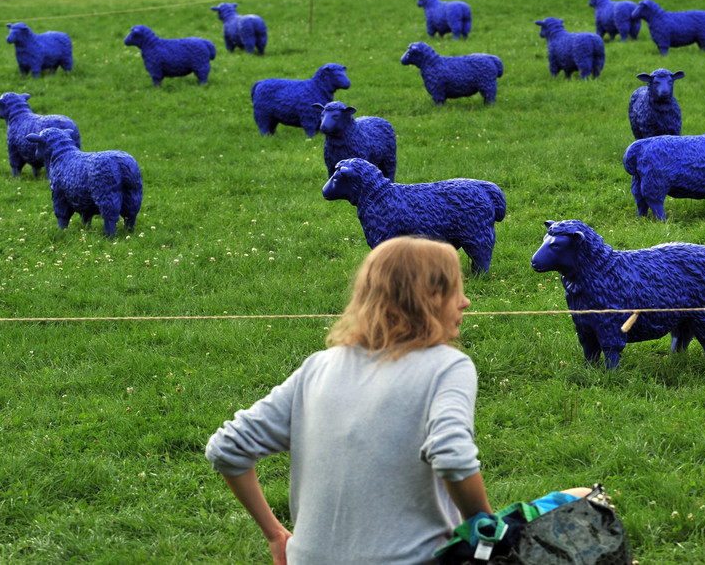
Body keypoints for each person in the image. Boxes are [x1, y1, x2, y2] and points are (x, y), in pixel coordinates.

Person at [205, 237, 492, 564]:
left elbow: (227, 447)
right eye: (455, 290)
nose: (465, 302)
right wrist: (489, 530)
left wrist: (275, 533)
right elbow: (452, 456)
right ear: (429, 298)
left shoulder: (319, 366)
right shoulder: (447, 366)